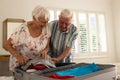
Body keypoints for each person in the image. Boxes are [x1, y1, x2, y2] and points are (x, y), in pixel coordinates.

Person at [4, 5, 50, 71]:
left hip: (36, 65)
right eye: (43, 22)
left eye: (47, 21)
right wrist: (18, 56)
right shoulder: (22, 29)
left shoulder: (47, 28)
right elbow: (7, 45)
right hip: (20, 65)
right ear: (34, 18)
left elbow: (47, 46)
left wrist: (45, 51)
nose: (46, 24)